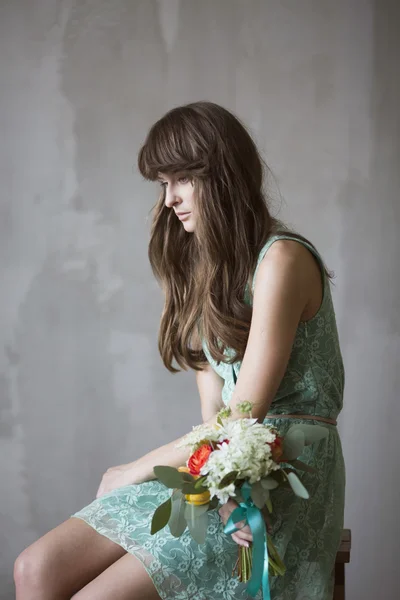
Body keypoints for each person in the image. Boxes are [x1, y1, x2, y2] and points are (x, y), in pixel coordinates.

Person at [14, 101, 345, 600]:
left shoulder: (282, 259)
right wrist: (211, 476)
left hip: (285, 474)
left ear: (221, 176)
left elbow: (242, 417)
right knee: (34, 569)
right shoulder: (205, 268)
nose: (169, 199)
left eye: (180, 180)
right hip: (224, 465)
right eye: (162, 184)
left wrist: (134, 470)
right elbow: (214, 420)